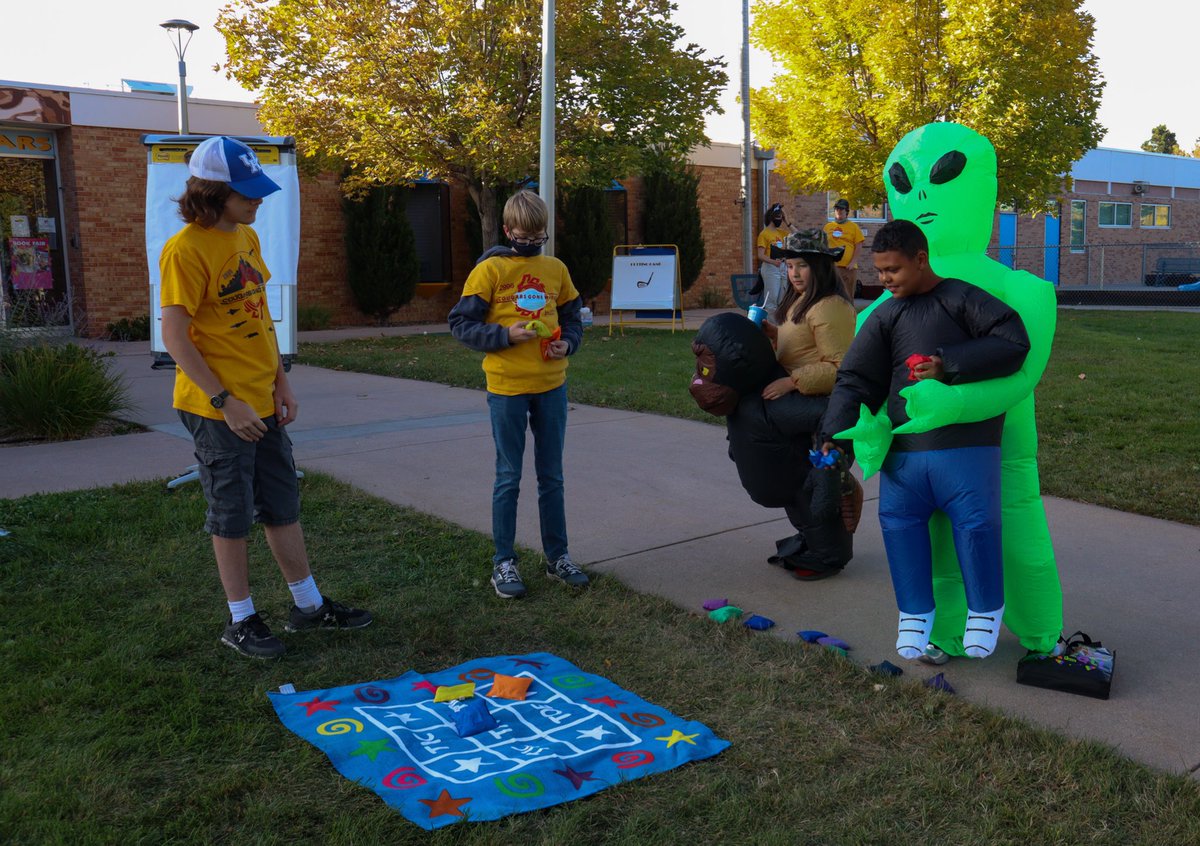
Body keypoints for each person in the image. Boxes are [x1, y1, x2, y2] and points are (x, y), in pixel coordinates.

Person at [160, 135, 371, 660]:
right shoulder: (185, 250)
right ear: (212, 194)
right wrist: (224, 401)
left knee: (281, 503)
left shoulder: (246, 238)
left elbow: (260, 317)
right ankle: (241, 620)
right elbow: (175, 337)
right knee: (231, 513)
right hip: (219, 408)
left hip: (261, 399)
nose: (258, 200)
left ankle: (308, 606)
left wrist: (281, 381)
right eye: (246, 193)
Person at [820, 220, 1030, 660]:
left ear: (920, 259)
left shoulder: (961, 298)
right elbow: (856, 377)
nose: (884, 279)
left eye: (893, 269)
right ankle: (914, 613)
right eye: (879, 270)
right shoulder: (887, 314)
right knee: (897, 525)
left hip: (966, 445)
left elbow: (1013, 341)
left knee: (977, 525)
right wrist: (834, 436)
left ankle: (985, 611)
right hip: (905, 454)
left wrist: (947, 364)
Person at [448, 190, 588, 599]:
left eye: (538, 235)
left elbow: (573, 318)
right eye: (524, 236)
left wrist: (568, 343)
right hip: (507, 388)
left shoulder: (555, 269)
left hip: (551, 387)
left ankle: (558, 557)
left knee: (552, 476)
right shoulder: (489, 271)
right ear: (508, 231)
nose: (531, 242)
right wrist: (504, 335)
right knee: (508, 477)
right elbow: (460, 324)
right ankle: (504, 562)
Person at [758, 229, 858, 578]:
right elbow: (801, 348)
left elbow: (840, 368)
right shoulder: (800, 303)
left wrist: (792, 381)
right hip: (802, 402)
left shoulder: (830, 306)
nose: (794, 273)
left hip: (825, 407)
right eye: (789, 266)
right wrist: (774, 335)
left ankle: (828, 552)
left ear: (821, 267)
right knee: (798, 478)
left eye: (802, 265)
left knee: (820, 482)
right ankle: (812, 539)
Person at [823, 198, 865, 301]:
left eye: (841, 209)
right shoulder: (828, 227)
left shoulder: (853, 227)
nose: (839, 211)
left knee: (847, 298)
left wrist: (853, 262)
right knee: (831, 297)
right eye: (837, 209)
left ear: (847, 211)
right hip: (832, 268)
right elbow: (823, 245)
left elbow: (859, 245)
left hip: (848, 269)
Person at [755, 203, 794, 314]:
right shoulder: (764, 234)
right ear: (771, 217)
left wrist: (787, 222)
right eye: (778, 216)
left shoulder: (781, 233)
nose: (780, 219)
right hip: (771, 268)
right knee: (771, 299)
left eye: (781, 217)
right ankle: (771, 322)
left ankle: (780, 323)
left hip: (783, 267)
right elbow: (760, 255)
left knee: (783, 299)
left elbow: (799, 236)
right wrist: (773, 262)